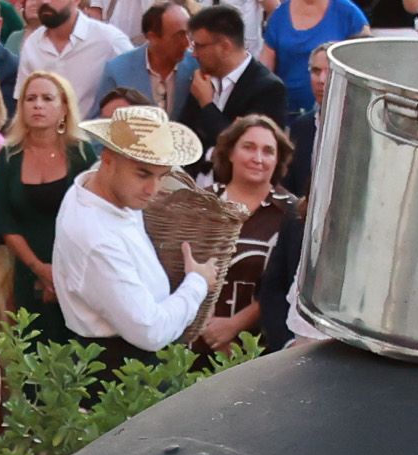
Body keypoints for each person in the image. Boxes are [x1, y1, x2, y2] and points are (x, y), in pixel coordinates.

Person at [50, 103, 212, 356]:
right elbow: (150, 331)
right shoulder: (95, 237)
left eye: (161, 176)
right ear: (107, 160)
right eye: (143, 174)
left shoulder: (98, 188)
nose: (153, 189)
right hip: (117, 369)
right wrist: (198, 282)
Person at [190, 111, 300, 354]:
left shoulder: (293, 214)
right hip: (192, 343)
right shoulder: (200, 204)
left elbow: (288, 285)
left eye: (268, 151)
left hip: (259, 350)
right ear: (230, 152)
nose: (258, 158)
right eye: (248, 147)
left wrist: (233, 326)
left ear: (278, 159)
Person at [0, 70, 91, 333]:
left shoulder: (82, 153)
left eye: (48, 98)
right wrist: (40, 269)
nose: (37, 105)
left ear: (64, 108)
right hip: (27, 271)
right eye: (30, 98)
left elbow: (94, 216)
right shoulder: (9, 156)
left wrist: (61, 272)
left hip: (78, 269)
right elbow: (5, 222)